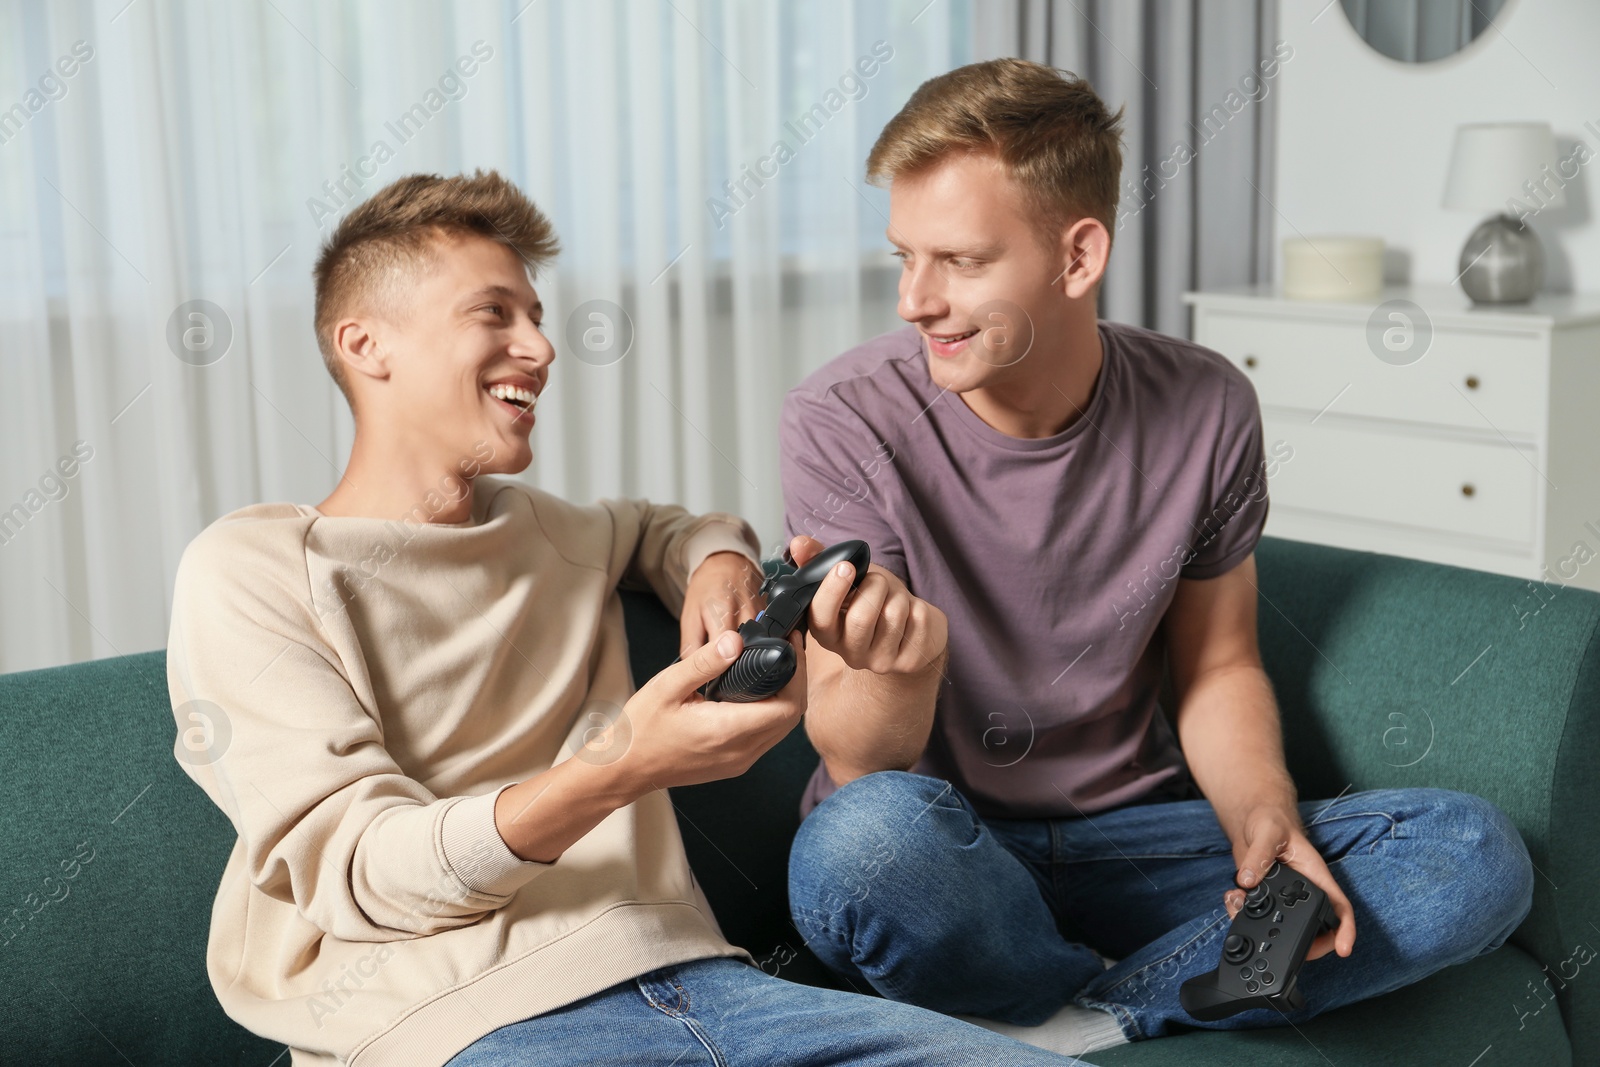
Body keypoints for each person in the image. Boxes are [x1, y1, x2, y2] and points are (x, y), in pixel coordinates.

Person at [165, 169, 1097, 1067]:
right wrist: (622, 766)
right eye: (495, 313)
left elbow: (675, 529)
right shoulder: (253, 569)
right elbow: (358, 866)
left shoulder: (557, 532)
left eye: (536, 316)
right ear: (366, 344)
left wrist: (722, 562)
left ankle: (1128, 1003)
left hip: (718, 987)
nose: (540, 347)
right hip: (453, 1028)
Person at [780, 59, 1535, 1057]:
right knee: (859, 845)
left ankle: (1084, 1015)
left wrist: (1264, 820)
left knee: (1473, 853)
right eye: (901, 258)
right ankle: (1136, 986)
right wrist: (900, 668)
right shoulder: (841, 418)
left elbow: (1218, 661)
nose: (916, 300)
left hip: (1134, 843)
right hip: (944, 850)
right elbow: (856, 759)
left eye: (958, 260)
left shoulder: (1207, 404)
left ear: (1077, 254)